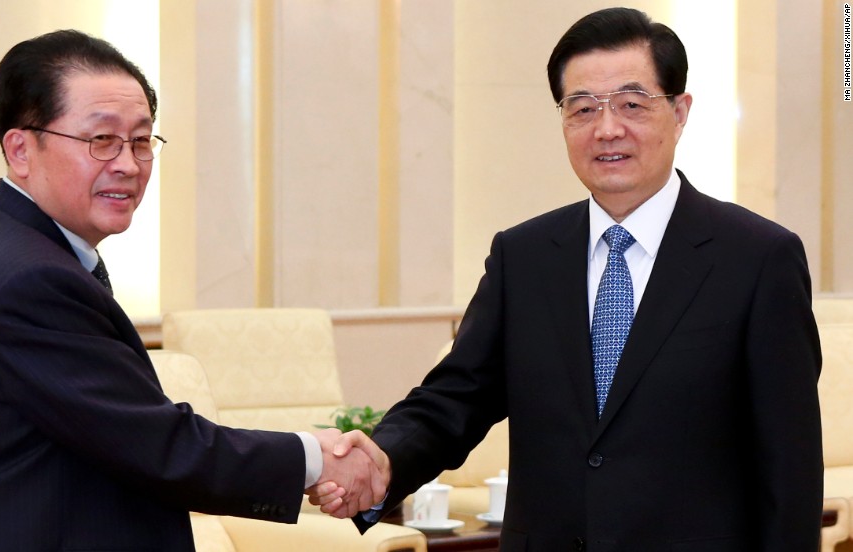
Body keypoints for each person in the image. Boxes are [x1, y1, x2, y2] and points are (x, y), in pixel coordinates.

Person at [312, 7, 823, 551]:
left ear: (679, 112)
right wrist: (383, 461)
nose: (607, 129)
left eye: (631, 104)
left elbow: (788, 473)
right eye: (582, 108)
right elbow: (455, 398)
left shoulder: (758, 258)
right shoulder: (524, 256)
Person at [0, 29, 386, 551]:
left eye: (141, 140)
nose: (129, 164)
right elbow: (161, 448)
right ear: (21, 149)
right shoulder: (26, 278)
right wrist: (316, 457)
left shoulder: (8, 249)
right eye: (102, 140)